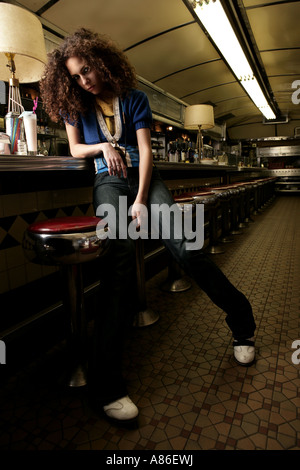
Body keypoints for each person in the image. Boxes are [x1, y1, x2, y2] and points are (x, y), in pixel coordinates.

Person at [40, 28, 256, 422]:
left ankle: (242, 322)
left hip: (145, 181)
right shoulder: (76, 105)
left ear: (101, 62)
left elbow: (143, 151)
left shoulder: (135, 99)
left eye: (86, 69)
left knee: (187, 247)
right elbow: (74, 149)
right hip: (106, 181)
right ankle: (108, 388)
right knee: (117, 262)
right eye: (74, 76)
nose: (84, 80)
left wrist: (140, 201)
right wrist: (103, 147)